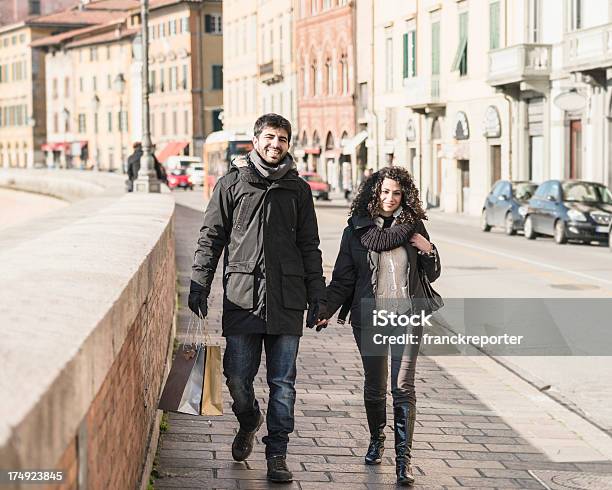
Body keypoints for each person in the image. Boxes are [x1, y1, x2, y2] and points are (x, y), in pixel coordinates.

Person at [188, 113, 326, 483]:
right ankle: (248, 418)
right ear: (256, 140)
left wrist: (319, 295)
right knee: (236, 378)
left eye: (282, 139)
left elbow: (309, 246)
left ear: (288, 144)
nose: (275, 144)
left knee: (283, 383)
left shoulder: (298, 189)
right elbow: (211, 236)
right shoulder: (232, 184)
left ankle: (277, 452)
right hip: (242, 297)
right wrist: (199, 282)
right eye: (269, 137)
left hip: (287, 300)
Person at [317, 166, 441, 486]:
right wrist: (326, 309)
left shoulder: (415, 228)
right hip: (370, 317)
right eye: (384, 192)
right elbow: (344, 278)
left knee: (402, 387)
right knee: (375, 387)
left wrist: (430, 252)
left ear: (405, 195)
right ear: (374, 192)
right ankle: (377, 439)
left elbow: (432, 273)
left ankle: (404, 460)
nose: (389, 198)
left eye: (396, 193)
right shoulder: (356, 231)